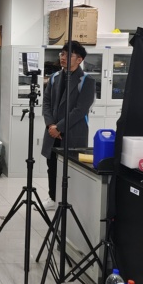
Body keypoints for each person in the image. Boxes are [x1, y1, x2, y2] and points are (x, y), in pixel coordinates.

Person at [41, 41, 96, 210]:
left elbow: (80, 110)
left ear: (79, 60)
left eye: (68, 55)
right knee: (52, 166)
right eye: (62, 54)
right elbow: (46, 103)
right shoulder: (55, 78)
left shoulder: (86, 81)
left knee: (70, 168)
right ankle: (53, 198)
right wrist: (51, 125)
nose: (63, 57)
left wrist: (59, 127)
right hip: (52, 132)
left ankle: (70, 200)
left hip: (73, 131)